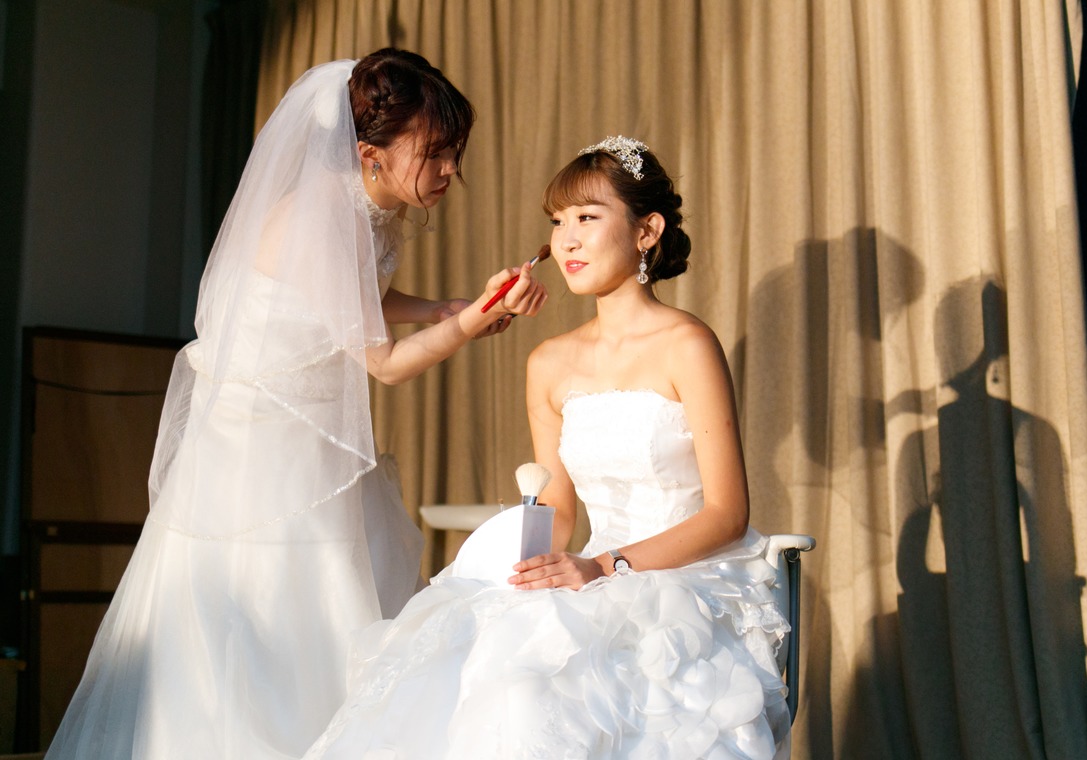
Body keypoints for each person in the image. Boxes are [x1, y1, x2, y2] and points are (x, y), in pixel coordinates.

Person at [46, 49, 546, 759]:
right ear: (369, 152)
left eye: (454, 154)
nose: (449, 172)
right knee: (265, 625)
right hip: (261, 449)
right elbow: (386, 364)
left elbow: (354, 299)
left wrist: (441, 306)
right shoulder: (318, 217)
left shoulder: (372, 206)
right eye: (435, 153)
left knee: (337, 601)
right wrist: (464, 327)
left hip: (313, 434)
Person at [304, 137, 791, 759]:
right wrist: (504, 568)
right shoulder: (548, 363)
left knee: (573, 693)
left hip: (685, 579)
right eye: (558, 222)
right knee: (494, 671)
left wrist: (604, 567)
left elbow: (727, 515)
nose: (566, 240)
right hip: (589, 575)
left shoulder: (688, 345)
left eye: (588, 218)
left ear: (647, 231)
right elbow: (558, 513)